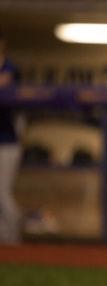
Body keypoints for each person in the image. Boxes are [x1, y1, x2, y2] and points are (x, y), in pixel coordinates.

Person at [0, 31, 20, 245]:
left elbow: (4, 82)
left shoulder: (10, 66)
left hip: (7, 141)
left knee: (2, 191)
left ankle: (12, 236)